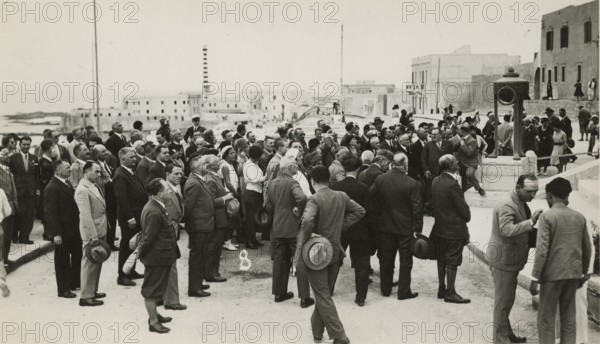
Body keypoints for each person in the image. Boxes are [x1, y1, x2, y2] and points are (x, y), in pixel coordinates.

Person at [293, 166, 365, 344]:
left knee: (322, 295)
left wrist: (307, 239)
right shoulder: (341, 196)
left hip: (315, 252)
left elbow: (308, 221)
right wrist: (341, 226)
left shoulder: (314, 199)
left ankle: (339, 335)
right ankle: (317, 332)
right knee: (324, 294)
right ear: (329, 179)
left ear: (312, 181)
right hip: (335, 250)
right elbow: (360, 211)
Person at [532, 177, 592, 344]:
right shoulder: (579, 216)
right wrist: (584, 273)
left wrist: (535, 277)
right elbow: (587, 247)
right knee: (568, 317)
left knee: (546, 319)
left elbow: (542, 250)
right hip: (573, 274)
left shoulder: (547, 217)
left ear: (550, 196)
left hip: (552, 275)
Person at [487, 174, 543, 343]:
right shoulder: (507, 205)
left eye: (535, 191)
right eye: (529, 192)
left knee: (507, 301)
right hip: (503, 261)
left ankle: (506, 333)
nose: (533, 195)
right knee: (503, 303)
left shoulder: (518, 201)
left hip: (509, 260)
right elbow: (506, 230)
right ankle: (500, 339)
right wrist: (530, 222)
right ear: (518, 188)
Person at [369, 153, 422, 300]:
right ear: (404, 165)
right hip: (405, 228)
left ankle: (385, 289)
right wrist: (418, 229)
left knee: (386, 259)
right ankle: (403, 291)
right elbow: (417, 208)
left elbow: (371, 198)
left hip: (385, 227)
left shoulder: (380, 179)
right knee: (406, 260)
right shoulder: (412, 183)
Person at [265, 157, 313, 307]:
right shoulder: (292, 183)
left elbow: (268, 206)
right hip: (292, 227)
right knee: (300, 260)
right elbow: (302, 197)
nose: (297, 169)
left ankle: (279, 293)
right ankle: (304, 297)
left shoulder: (272, 184)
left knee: (280, 260)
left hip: (278, 226)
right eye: (295, 167)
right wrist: (299, 211)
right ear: (289, 167)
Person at [139, 179, 179, 334]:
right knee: (151, 290)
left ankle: (155, 315)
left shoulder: (156, 206)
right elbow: (148, 238)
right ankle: (153, 322)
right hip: (157, 257)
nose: (170, 192)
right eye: (167, 190)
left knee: (157, 288)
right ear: (160, 193)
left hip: (161, 255)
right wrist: (140, 255)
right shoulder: (155, 211)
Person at [430, 155, 471, 304]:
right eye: (455, 161)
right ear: (449, 165)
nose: (458, 163)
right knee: (452, 260)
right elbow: (463, 210)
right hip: (454, 229)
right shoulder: (453, 184)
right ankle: (451, 292)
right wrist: (467, 216)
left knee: (441, 258)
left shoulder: (436, 180)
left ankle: (442, 288)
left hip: (439, 227)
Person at [331, 157, 371, 307]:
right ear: (358, 169)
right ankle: (360, 296)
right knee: (361, 264)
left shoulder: (335, 186)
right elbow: (368, 212)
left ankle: (329, 288)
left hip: (339, 229)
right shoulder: (363, 187)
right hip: (360, 230)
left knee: (334, 260)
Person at [183, 156, 225, 297]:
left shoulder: (199, 180)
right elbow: (189, 207)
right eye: (204, 164)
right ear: (197, 167)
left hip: (203, 224)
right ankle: (194, 288)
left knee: (201, 256)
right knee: (197, 257)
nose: (206, 166)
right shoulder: (194, 183)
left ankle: (198, 282)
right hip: (198, 226)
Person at [44, 160, 82, 298]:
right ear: (58, 170)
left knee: (77, 255)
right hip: (63, 231)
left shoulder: (65, 183)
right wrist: (56, 233)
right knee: (62, 261)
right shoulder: (52, 187)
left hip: (72, 229)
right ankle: (63, 289)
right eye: (67, 168)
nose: (70, 170)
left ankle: (74, 282)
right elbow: (50, 213)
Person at [74, 161, 107, 307]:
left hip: (100, 227)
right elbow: (85, 215)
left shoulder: (93, 184)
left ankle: (92, 290)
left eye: (100, 171)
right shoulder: (82, 189)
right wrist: (93, 236)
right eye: (96, 171)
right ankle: (86, 296)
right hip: (92, 231)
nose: (99, 174)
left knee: (97, 261)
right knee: (89, 262)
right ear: (86, 171)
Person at [114, 147, 148, 287]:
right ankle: (122, 275)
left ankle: (131, 270)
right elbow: (121, 199)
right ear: (123, 159)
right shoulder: (120, 175)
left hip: (137, 214)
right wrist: (129, 218)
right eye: (131, 157)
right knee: (127, 246)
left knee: (135, 245)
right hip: (130, 217)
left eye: (135, 156)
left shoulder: (130, 171)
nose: (135, 159)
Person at [203, 155, 233, 282]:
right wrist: (225, 198)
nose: (220, 162)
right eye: (217, 162)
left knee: (217, 246)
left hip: (220, 217)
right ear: (210, 165)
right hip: (216, 217)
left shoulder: (214, 176)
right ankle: (211, 273)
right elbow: (210, 201)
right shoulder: (210, 179)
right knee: (214, 246)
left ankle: (213, 271)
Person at [162, 165, 186, 311]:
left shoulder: (176, 188)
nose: (179, 176)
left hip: (172, 229)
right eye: (176, 173)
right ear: (167, 174)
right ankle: (171, 300)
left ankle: (162, 296)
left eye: (181, 174)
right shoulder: (164, 189)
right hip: (167, 231)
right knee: (171, 267)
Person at [8, 136, 39, 244]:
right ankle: (14, 236)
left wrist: (37, 189)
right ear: (19, 145)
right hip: (18, 190)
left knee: (29, 214)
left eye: (28, 144)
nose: (26, 146)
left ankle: (24, 237)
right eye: (24, 144)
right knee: (18, 214)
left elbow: (37, 175)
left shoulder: (34, 158)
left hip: (30, 190)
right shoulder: (13, 158)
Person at [422, 129, 453, 210]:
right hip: (432, 172)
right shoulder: (428, 145)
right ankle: (432, 209)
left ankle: (444, 208)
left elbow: (451, 157)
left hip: (444, 172)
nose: (433, 136)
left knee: (444, 190)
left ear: (440, 134)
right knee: (431, 190)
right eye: (432, 134)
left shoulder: (448, 144)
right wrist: (425, 170)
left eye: (435, 134)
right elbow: (423, 158)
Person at [242, 146, 267, 249]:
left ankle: (253, 239)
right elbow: (255, 179)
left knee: (255, 217)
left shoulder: (254, 164)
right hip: (251, 193)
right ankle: (249, 241)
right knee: (250, 218)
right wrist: (267, 177)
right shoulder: (249, 165)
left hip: (256, 192)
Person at [455, 125, 485, 196]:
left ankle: (479, 188)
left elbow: (469, 153)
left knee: (469, 174)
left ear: (463, 131)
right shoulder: (462, 138)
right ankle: (462, 192)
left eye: (459, 130)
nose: (458, 131)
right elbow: (456, 149)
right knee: (461, 179)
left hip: (471, 163)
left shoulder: (472, 141)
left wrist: (462, 144)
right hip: (461, 162)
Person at [0, 149, 18, 264]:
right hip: (2, 207)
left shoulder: (8, 169)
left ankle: (5, 258)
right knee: (2, 235)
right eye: (5, 154)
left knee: (8, 235)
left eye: (8, 154)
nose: (8, 156)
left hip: (12, 206)